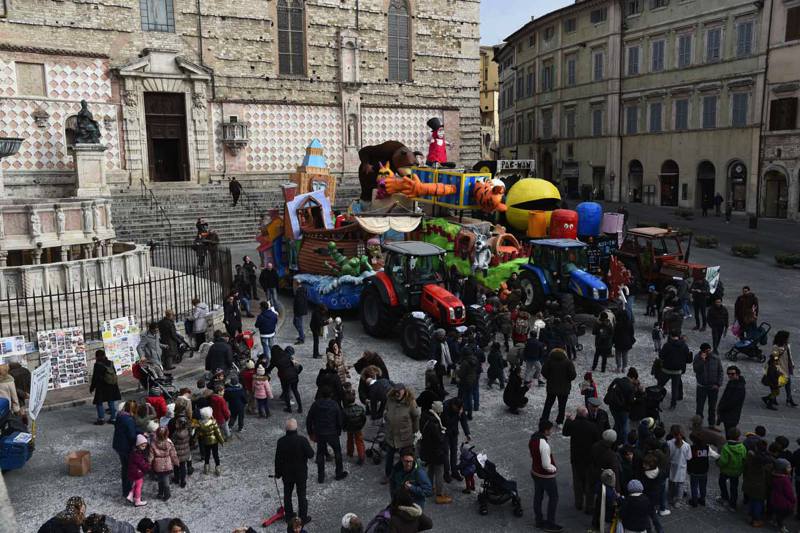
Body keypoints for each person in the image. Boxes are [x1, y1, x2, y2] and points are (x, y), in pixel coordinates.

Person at [275, 418, 315, 526]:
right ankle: (303, 517)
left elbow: (278, 459)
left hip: (287, 474)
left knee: (287, 495)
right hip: (300, 473)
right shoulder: (302, 440)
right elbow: (311, 454)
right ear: (296, 428)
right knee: (301, 495)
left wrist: (277, 473)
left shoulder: (281, 441)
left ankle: (288, 516)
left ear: (286, 429)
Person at [563, 406, 602, 514]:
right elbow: (597, 441)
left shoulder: (573, 424)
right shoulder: (592, 427)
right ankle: (589, 506)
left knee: (577, 482)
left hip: (576, 458)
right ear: (585, 414)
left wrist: (568, 420)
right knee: (589, 483)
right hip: (589, 460)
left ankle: (578, 503)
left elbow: (565, 432)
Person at [307, 386, 348, 483]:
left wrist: (311, 433)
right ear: (331, 395)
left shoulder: (316, 405)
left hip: (320, 433)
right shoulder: (334, 405)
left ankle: (321, 477)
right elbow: (339, 419)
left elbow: (309, 419)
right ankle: (338, 473)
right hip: (332, 432)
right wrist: (339, 431)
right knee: (337, 452)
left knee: (320, 454)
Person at [383, 383, 420, 484]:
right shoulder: (390, 400)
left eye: (399, 391)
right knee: (389, 458)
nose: (397, 393)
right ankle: (388, 475)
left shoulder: (410, 402)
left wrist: (416, 432)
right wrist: (386, 417)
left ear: (404, 391)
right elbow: (386, 410)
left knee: (405, 459)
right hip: (391, 436)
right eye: (395, 391)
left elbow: (416, 417)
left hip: (405, 437)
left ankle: (406, 478)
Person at [530, 420, 562, 532]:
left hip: (535, 472)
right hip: (545, 476)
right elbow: (546, 465)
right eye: (551, 429)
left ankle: (539, 520)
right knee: (554, 497)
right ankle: (550, 523)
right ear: (546, 430)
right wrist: (554, 468)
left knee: (538, 496)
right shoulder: (544, 445)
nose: (552, 431)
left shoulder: (533, 439)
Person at [419, 400, 452, 504]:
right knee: (439, 472)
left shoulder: (424, 417)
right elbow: (439, 439)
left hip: (427, 449)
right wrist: (443, 434)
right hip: (436, 451)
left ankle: (429, 488)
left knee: (431, 469)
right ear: (438, 412)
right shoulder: (435, 423)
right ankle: (439, 494)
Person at [540, 348, 576, 427]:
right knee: (562, 405)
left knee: (548, 404)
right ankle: (560, 421)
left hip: (551, 387)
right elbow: (573, 375)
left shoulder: (549, 361)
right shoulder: (568, 363)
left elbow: (543, 372)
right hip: (564, 388)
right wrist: (567, 379)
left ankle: (544, 419)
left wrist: (549, 377)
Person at [657, 330, 691, 409]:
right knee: (675, 388)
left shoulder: (667, 345)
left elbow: (661, 356)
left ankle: (656, 399)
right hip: (677, 371)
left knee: (660, 385)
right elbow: (687, 357)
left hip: (666, 369)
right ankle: (673, 404)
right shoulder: (684, 346)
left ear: (671, 336)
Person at [113, 400, 139, 498]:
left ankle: (125, 490)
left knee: (124, 468)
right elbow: (132, 435)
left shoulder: (120, 416)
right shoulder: (129, 419)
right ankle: (129, 492)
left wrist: (139, 431)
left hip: (118, 445)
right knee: (129, 469)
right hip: (126, 447)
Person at [743, 439, 771, 527]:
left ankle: (750, 514)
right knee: (758, 502)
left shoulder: (751, 457)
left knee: (752, 499)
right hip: (760, 485)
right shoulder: (765, 462)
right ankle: (756, 520)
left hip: (750, 482)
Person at [605, 368, 637, 445]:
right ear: (633, 378)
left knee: (617, 423)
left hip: (612, 407)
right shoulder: (630, 387)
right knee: (624, 426)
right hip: (623, 410)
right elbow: (631, 401)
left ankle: (613, 439)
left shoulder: (617, 380)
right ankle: (625, 443)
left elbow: (609, 389)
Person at [88, 349, 121, 425]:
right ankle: (113, 418)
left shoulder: (97, 365)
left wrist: (92, 387)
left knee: (99, 402)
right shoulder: (110, 363)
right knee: (111, 401)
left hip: (101, 386)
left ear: (97, 356)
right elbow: (114, 373)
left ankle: (101, 419)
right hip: (112, 385)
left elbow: (95, 378)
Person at [717, 427, 746, 510]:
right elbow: (744, 459)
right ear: (739, 436)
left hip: (726, 470)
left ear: (729, 435)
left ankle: (724, 497)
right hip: (736, 472)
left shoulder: (726, 447)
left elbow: (723, 461)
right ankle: (733, 504)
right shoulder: (742, 447)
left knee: (722, 482)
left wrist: (718, 462)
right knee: (734, 487)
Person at [267, 345, 303, 414]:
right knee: (295, 391)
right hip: (294, 375)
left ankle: (289, 408)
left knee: (286, 392)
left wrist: (263, 371)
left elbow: (269, 369)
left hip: (285, 377)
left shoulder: (275, 359)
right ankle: (300, 407)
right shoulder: (287, 354)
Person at [148, 427, 179, 502]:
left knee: (159, 480)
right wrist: (176, 462)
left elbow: (150, 456)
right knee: (166, 480)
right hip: (167, 464)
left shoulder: (153, 443)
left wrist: (148, 464)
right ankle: (167, 494)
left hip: (157, 465)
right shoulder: (169, 443)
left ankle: (160, 493)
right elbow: (173, 454)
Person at [688, 432, 715, 507]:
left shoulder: (691, 448)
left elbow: (688, 458)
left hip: (694, 470)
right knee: (703, 486)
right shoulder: (706, 447)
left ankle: (694, 501)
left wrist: (688, 469)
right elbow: (713, 454)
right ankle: (702, 500)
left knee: (694, 486)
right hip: (704, 470)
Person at [717, 365, 746, 433]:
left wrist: (721, 408)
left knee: (730, 433)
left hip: (732, 415)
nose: (730, 375)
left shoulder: (739, 387)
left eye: (732, 374)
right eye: (728, 374)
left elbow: (732, 402)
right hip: (727, 413)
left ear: (737, 374)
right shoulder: (731, 382)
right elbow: (725, 396)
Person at [197, 406, 225, 476]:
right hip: (214, 441)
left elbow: (199, 433)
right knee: (215, 454)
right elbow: (218, 433)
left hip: (206, 442)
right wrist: (222, 441)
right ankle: (217, 468)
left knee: (207, 454)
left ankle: (206, 467)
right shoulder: (213, 422)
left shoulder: (200, 424)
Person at [666, 425, 691, 505]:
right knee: (680, 485)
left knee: (671, 483)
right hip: (682, 468)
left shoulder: (669, 443)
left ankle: (670, 497)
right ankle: (678, 501)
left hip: (672, 467)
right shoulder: (687, 446)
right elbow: (688, 457)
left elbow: (667, 456)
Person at [771, 458, 797, 533]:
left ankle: (775, 521)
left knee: (778, 512)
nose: (790, 468)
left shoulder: (775, 476)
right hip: (784, 502)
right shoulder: (785, 480)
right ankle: (781, 526)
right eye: (788, 467)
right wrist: (793, 500)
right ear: (783, 469)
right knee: (785, 514)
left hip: (775, 499)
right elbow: (789, 492)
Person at [169, 409, 192, 488]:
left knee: (176, 467)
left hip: (177, 453)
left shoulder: (176, 434)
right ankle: (183, 481)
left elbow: (172, 442)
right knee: (183, 467)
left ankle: (176, 478)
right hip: (185, 452)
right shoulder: (187, 431)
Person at [342, 389, 367, 465]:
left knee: (349, 440)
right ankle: (361, 456)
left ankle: (350, 452)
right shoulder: (360, 408)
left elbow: (343, 421)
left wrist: (344, 428)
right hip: (358, 428)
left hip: (349, 428)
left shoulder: (344, 411)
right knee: (359, 441)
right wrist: (361, 425)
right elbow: (364, 419)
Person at [773, 331, 796, 407]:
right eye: (787, 338)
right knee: (779, 384)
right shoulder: (776, 347)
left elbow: (790, 355)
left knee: (788, 383)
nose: (788, 339)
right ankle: (772, 397)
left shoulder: (787, 345)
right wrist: (778, 369)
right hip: (780, 368)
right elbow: (775, 358)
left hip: (787, 367)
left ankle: (789, 398)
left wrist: (792, 364)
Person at [127, 435, 150, 506]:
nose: (144, 448)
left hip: (134, 471)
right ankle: (137, 500)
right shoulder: (137, 454)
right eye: (142, 446)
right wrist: (148, 466)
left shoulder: (134, 452)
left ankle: (130, 495)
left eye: (145, 446)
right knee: (139, 486)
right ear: (138, 445)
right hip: (137, 472)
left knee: (136, 484)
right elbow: (142, 464)